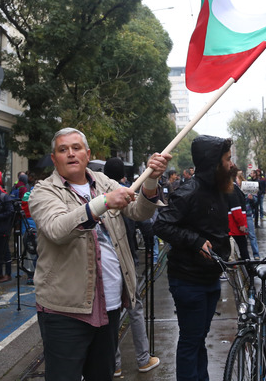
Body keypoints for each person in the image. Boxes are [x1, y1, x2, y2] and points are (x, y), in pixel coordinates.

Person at [29, 128, 170, 381]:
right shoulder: (43, 191)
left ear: (87, 154)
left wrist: (151, 180)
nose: (71, 154)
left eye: (76, 148)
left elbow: (139, 212)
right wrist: (103, 202)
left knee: (102, 375)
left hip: (110, 304)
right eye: (63, 150)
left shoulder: (104, 182)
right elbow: (57, 229)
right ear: (54, 158)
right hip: (65, 310)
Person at [154, 135, 233, 381]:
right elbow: (162, 225)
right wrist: (195, 241)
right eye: (227, 159)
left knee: (199, 338)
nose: (231, 164)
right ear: (214, 162)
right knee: (191, 340)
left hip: (209, 278)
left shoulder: (218, 188)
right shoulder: (189, 191)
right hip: (189, 280)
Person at [103, 157, 162, 377]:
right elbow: (146, 223)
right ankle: (143, 358)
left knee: (111, 312)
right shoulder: (126, 193)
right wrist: (149, 246)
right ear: (123, 174)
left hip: (107, 262)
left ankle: (115, 363)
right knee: (134, 309)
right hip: (127, 260)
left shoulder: (100, 194)